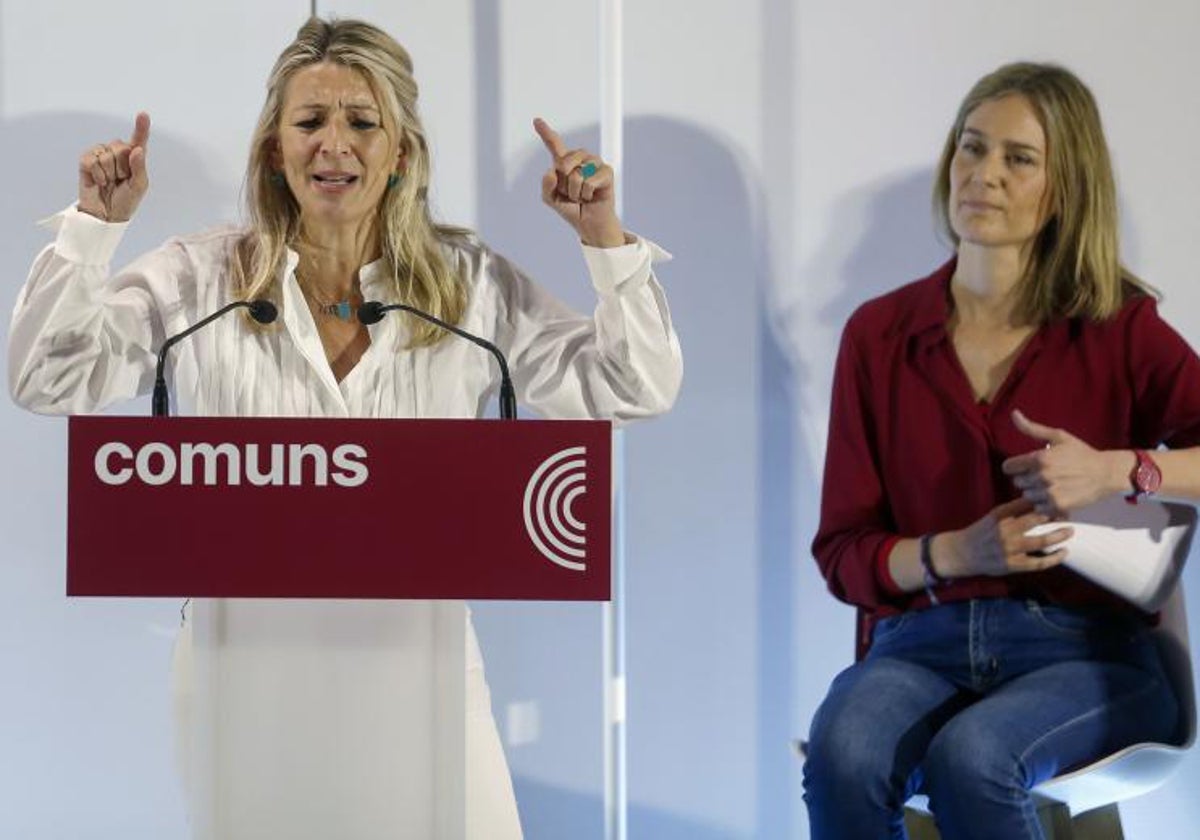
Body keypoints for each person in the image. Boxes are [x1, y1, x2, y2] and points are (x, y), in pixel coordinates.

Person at [8, 17, 681, 839]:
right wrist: (92, 228)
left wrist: (604, 243)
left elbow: (632, 386)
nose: (336, 144)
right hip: (242, 666)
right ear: (273, 149)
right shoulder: (197, 278)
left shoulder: (469, 287)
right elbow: (46, 377)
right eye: (310, 121)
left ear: (401, 152)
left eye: (363, 122)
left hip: (419, 664)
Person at [804, 61, 1200, 839]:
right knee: (842, 752)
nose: (982, 175)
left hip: (1089, 651)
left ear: (1066, 185)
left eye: (1018, 158)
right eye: (971, 148)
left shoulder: (1119, 327)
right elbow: (844, 554)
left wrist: (1122, 469)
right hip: (920, 642)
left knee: (974, 756)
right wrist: (956, 552)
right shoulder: (879, 335)